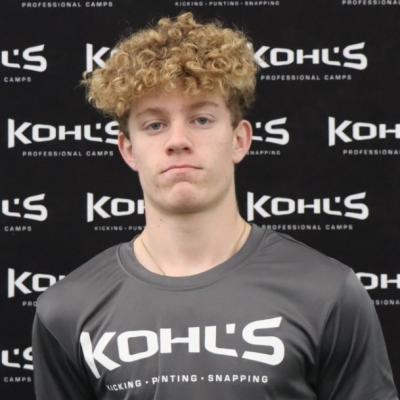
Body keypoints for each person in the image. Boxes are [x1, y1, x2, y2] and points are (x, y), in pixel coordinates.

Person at [32, 11, 398, 400]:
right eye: (155, 125)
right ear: (128, 150)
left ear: (240, 140)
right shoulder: (67, 309)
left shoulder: (327, 292)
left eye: (201, 119)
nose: (178, 140)